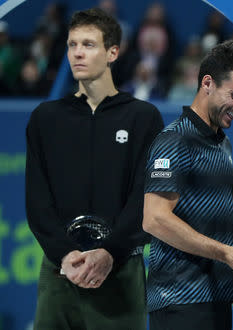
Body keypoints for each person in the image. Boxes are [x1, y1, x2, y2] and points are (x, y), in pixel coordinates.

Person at [25, 8, 163, 329]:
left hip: (121, 270)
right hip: (61, 268)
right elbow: (37, 199)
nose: (77, 53)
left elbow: (145, 195)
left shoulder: (143, 117)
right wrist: (65, 255)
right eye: (72, 45)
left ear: (113, 52)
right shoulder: (46, 118)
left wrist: (110, 253)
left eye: (88, 44)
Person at [142, 39, 233, 330]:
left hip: (210, 301)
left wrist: (232, 289)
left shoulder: (220, 142)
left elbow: (207, 227)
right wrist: (228, 255)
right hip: (179, 304)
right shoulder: (175, 140)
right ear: (207, 83)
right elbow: (154, 219)